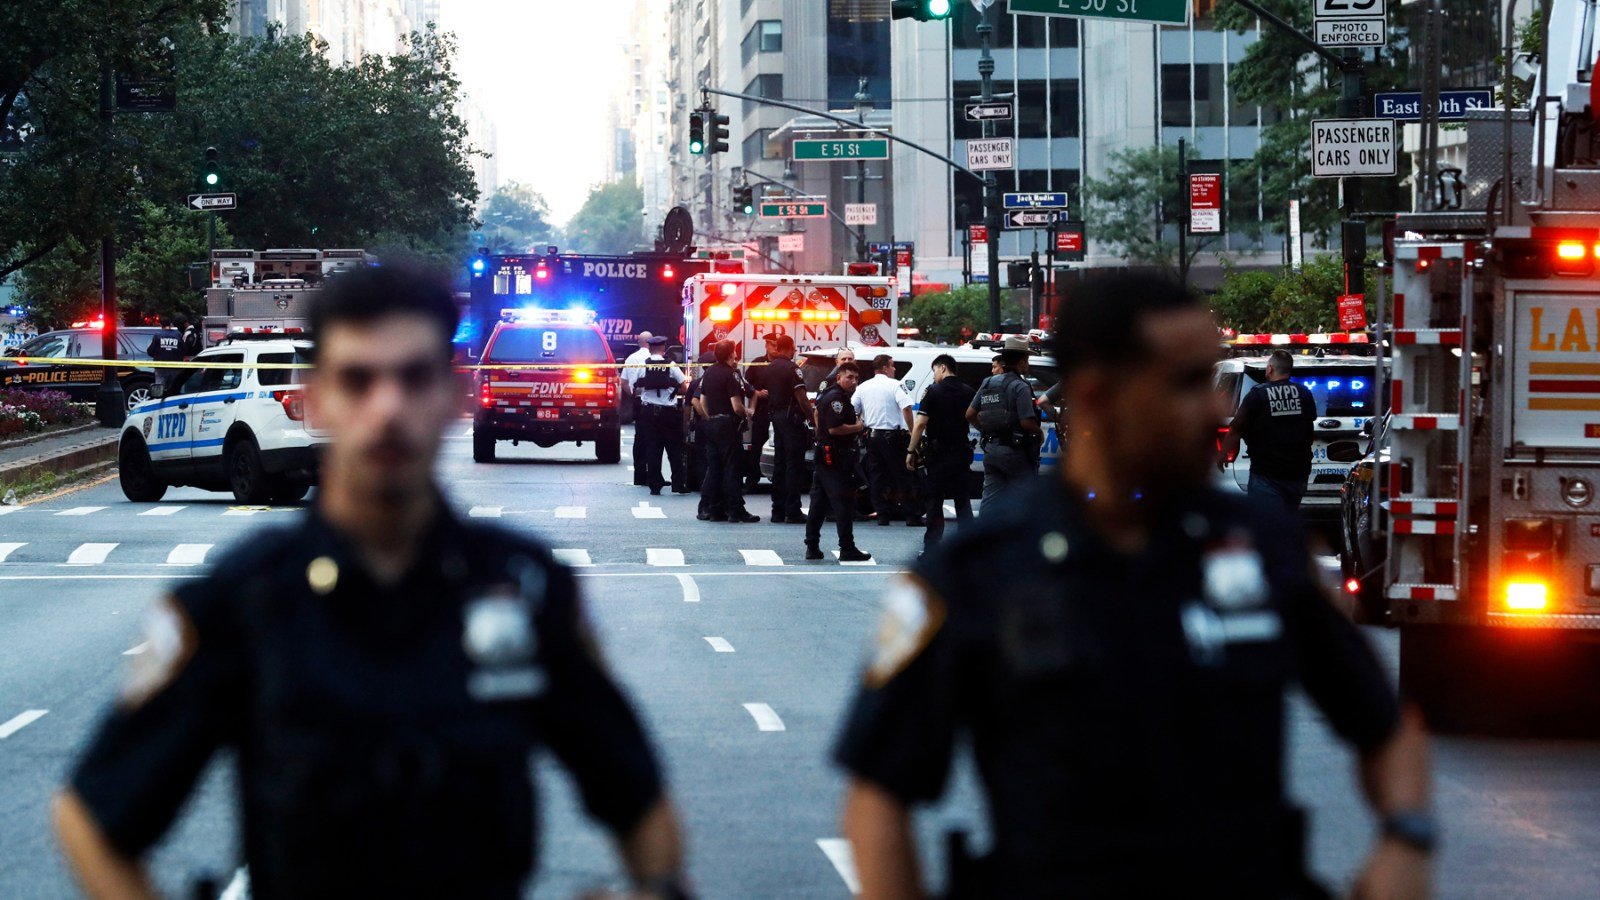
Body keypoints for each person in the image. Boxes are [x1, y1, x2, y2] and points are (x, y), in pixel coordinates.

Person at [53, 265, 689, 900]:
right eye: (358, 380)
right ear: (319, 398)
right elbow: (93, 817)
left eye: (414, 378)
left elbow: (637, 793)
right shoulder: (247, 597)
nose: (388, 408)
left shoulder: (524, 588)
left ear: (454, 396)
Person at [834, 272, 1431, 900]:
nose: (1217, 409)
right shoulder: (978, 568)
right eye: (1187, 383)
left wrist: (1406, 842)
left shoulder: (1261, 546)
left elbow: (1386, 726)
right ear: (1097, 396)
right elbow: (878, 793)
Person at [1223, 348, 1317, 515]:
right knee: (1287, 519)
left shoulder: (1257, 394)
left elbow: (1236, 429)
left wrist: (1222, 454)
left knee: (1265, 523)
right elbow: (1309, 426)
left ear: (1270, 368)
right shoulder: (1304, 394)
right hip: (1298, 475)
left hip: (1266, 475)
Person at [906, 354, 974, 555]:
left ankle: (932, 549)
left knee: (934, 502)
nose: (934, 375)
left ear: (942, 368)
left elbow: (920, 423)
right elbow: (976, 418)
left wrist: (911, 450)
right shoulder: (969, 391)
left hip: (938, 455)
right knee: (963, 502)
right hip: (961, 453)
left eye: (934, 370)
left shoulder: (933, 391)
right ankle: (968, 550)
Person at [806, 362, 872, 563]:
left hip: (827, 455)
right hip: (835, 458)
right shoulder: (836, 398)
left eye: (856, 378)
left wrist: (821, 435)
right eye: (849, 377)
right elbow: (835, 429)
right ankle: (847, 547)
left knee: (819, 503)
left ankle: (812, 546)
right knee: (843, 502)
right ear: (838, 378)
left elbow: (818, 415)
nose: (853, 381)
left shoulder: (832, 395)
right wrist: (858, 427)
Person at [966, 337, 1041, 508]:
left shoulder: (988, 382)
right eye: (1027, 360)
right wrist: (1039, 432)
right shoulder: (1021, 386)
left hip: (991, 451)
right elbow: (1026, 423)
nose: (1028, 364)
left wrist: (985, 430)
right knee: (1024, 501)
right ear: (1021, 362)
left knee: (990, 502)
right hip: (1015, 453)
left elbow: (970, 414)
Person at [854, 354, 921, 527]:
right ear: (884, 367)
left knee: (877, 477)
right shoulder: (895, 385)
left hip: (872, 437)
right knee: (903, 476)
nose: (894, 369)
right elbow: (906, 408)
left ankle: (882, 515)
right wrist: (912, 431)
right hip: (893, 438)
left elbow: (853, 409)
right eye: (892, 365)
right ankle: (911, 516)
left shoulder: (863, 387)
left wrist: (860, 425)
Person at [698, 339, 759, 523]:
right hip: (728, 425)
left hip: (712, 424)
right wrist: (746, 412)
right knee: (732, 468)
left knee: (715, 468)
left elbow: (702, 401)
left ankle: (715, 510)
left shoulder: (709, 372)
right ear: (731, 354)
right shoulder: (731, 374)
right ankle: (735, 510)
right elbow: (736, 406)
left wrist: (709, 419)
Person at [630, 334, 690, 496]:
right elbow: (684, 388)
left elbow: (634, 387)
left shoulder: (643, 365)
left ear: (650, 348)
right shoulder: (671, 365)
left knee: (653, 449)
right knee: (674, 449)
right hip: (669, 414)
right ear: (663, 348)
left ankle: (655, 486)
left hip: (649, 413)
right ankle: (678, 484)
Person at [763, 334, 812, 524]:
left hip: (776, 418)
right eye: (793, 348)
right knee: (794, 465)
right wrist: (813, 419)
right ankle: (793, 510)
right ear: (790, 347)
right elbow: (801, 398)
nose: (794, 351)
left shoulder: (770, 367)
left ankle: (777, 509)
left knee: (780, 464)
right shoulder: (792, 368)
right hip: (791, 419)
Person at [744, 334, 779, 491]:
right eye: (773, 345)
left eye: (778, 345)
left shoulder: (783, 364)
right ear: (766, 345)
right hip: (762, 411)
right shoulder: (758, 363)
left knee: (779, 446)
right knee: (757, 445)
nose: (775, 348)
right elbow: (745, 385)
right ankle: (752, 479)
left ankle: (778, 479)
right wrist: (757, 393)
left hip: (778, 411)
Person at [622, 332, 656, 486]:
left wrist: (633, 395)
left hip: (639, 402)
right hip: (656, 403)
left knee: (640, 439)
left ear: (639, 342)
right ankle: (655, 476)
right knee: (654, 439)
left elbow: (624, 382)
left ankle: (640, 476)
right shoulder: (657, 358)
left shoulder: (631, 358)